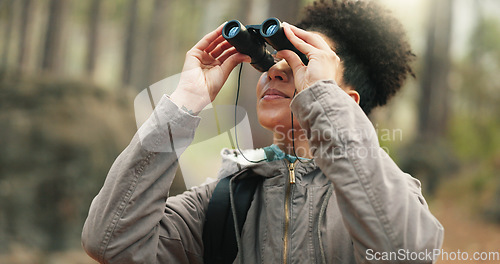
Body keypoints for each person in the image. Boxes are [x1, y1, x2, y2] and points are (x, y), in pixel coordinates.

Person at [82, 0, 444, 263]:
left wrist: (321, 98)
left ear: (343, 101)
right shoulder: (221, 201)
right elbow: (111, 242)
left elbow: (408, 251)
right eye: (273, 62)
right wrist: (185, 103)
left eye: (302, 63)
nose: (275, 71)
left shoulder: (383, 193)